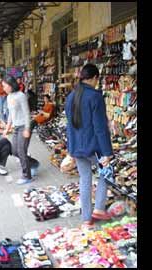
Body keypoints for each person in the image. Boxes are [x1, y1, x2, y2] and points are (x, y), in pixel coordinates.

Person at [65, 63, 113, 229]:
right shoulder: (95, 96)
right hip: (93, 147)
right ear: (94, 78)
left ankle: (86, 220)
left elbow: (69, 126)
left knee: (85, 179)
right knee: (106, 173)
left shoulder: (71, 96)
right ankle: (99, 208)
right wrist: (106, 152)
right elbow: (100, 127)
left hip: (77, 147)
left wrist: (70, 148)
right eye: (96, 80)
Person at [2, 76, 39, 185]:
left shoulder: (21, 96)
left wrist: (27, 128)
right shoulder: (9, 97)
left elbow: (27, 113)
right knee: (14, 151)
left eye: (4, 86)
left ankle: (27, 176)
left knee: (21, 151)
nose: (3, 88)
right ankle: (34, 163)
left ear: (10, 85)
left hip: (24, 126)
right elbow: (10, 114)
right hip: (16, 127)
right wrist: (7, 128)